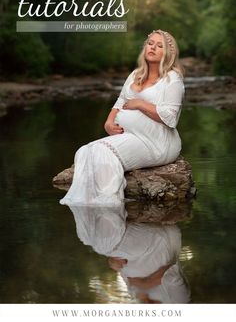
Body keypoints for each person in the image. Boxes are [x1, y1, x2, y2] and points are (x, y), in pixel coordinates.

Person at [60, 29, 185, 206]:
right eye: (150, 43)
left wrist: (140, 104)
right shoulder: (136, 74)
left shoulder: (172, 79)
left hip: (158, 142)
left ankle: (110, 203)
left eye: (159, 46)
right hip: (132, 136)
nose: (153, 48)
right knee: (84, 152)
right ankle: (95, 203)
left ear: (168, 53)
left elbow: (171, 118)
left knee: (103, 153)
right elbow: (120, 101)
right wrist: (109, 122)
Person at [67, 204, 191, 303]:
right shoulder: (178, 302)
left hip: (131, 251)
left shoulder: (138, 301)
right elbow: (172, 271)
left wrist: (112, 262)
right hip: (156, 244)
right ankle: (105, 195)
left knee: (89, 239)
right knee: (101, 243)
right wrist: (146, 283)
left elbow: (126, 275)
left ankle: (104, 195)